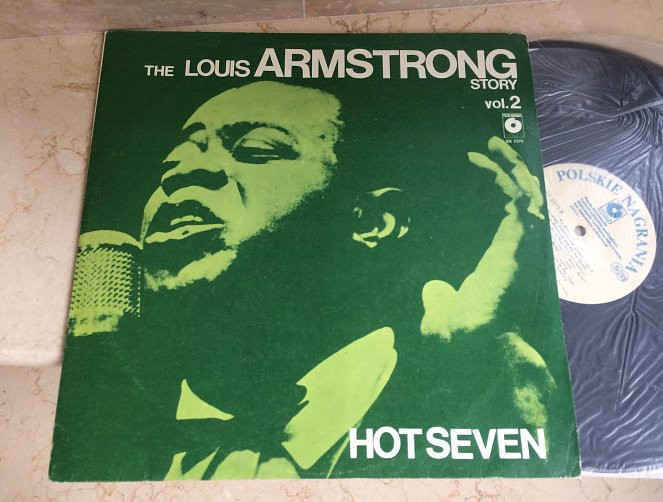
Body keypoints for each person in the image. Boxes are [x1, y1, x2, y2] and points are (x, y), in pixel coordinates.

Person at [131, 81, 557, 480]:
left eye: (257, 149)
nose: (179, 172)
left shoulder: (466, 392)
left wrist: (490, 370)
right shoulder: (122, 433)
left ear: (371, 222)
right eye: (174, 158)